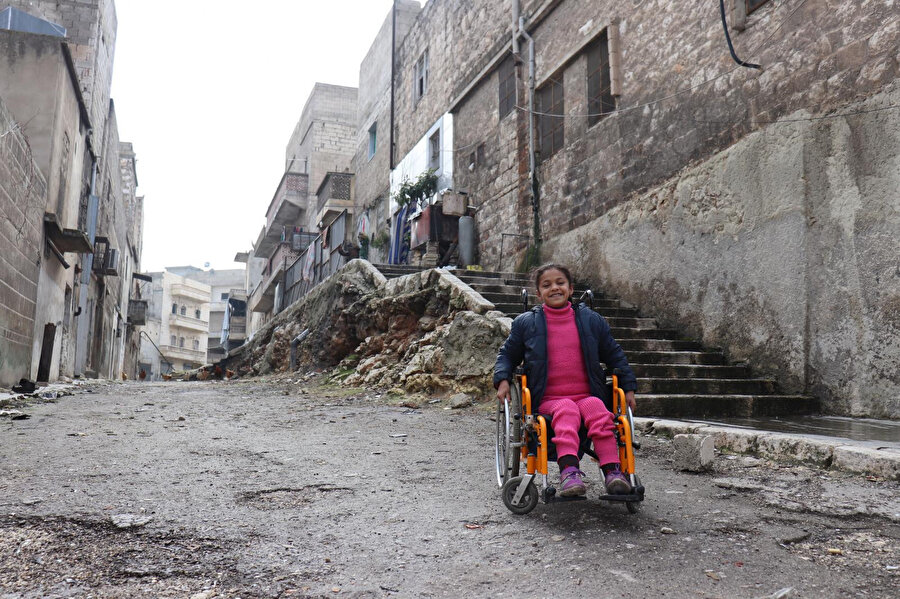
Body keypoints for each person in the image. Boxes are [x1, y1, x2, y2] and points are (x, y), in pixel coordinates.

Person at [494, 263, 638, 497]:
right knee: (567, 409)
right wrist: (502, 380)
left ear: (571, 289)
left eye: (560, 283)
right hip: (549, 398)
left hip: (587, 394)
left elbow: (615, 355)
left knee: (600, 412)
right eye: (547, 285)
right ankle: (569, 472)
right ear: (538, 294)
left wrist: (629, 388)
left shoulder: (592, 320)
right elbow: (507, 355)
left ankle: (613, 472)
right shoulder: (526, 323)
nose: (554, 288)